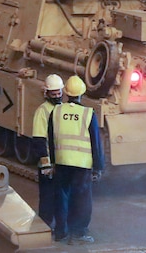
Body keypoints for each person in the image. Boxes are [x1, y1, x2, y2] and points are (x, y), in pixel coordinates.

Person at [51, 75, 104, 244]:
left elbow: (50, 139)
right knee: (81, 198)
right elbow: (96, 142)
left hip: (61, 161)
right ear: (82, 94)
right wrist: (98, 167)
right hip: (81, 164)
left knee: (62, 196)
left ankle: (61, 232)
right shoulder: (88, 113)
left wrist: (53, 162)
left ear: (65, 93)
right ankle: (78, 233)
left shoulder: (56, 111)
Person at [32, 73, 64, 234]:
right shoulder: (42, 111)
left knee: (59, 198)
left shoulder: (62, 110)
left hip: (60, 162)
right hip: (49, 164)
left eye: (59, 93)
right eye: (54, 93)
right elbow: (38, 139)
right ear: (47, 93)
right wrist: (45, 164)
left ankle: (59, 228)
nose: (57, 96)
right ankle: (44, 228)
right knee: (47, 198)